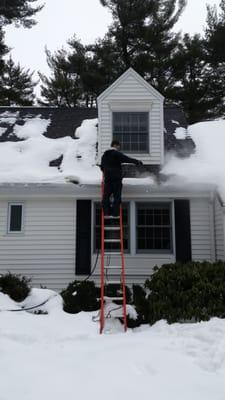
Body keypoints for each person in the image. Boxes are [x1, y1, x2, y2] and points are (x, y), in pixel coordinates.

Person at [100, 140, 143, 216]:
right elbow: (126, 159)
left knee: (106, 196)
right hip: (116, 178)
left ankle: (106, 212)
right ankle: (115, 213)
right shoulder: (116, 153)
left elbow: (102, 167)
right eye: (119, 146)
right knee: (117, 196)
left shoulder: (104, 155)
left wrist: (106, 172)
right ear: (115, 145)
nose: (119, 147)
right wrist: (137, 162)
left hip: (108, 178)